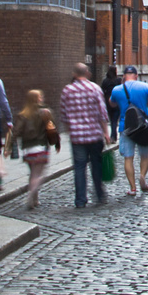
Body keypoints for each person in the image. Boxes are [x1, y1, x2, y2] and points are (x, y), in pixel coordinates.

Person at [59, 63, 112, 208]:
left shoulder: (67, 91)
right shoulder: (95, 88)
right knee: (96, 166)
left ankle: (80, 200)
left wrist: (70, 131)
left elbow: (64, 116)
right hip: (94, 135)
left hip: (77, 137)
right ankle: (100, 195)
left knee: (79, 168)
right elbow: (102, 113)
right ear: (87, 72)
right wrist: (106, 133)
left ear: (74, 74)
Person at [111, 65, 148, 194]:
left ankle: (132, 188)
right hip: (143, 127)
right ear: (136, 76)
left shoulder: (117, 89)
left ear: (124, 76)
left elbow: (112, 103)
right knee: (145, 155)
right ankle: (142, 175)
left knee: (128, 158)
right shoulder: (145, 87)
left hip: (125, 127)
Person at [5, 89, 58, 210]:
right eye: (40, 97)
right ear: (38, 99)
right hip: (40, 147)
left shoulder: (23, 114)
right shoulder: (45, 112)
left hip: (28, 149)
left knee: (32, 174)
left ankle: (35, 199)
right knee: (38, 175)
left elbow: (16, 132)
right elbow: (52, 129)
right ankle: (31, 195)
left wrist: (8, 147)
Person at [101, 64, 122, 133]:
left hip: (108, 101)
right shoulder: (118, 80)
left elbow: (102, 91)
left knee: (111, 118)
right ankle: (113, 135)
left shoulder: (105, 81)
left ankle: (113, 135)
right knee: (115, 119)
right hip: (117, 101)